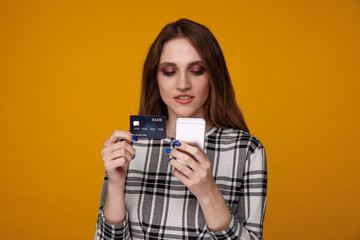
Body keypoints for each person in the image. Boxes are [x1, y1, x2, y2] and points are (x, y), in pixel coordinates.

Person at [95, 18, 267, 240]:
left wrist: (208, 193)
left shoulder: (247, 150)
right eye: (169, 71)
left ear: (213, 75)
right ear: (155, 78)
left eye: (196, 70)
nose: (183, 84)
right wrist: (116, 186)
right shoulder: (128, 147)